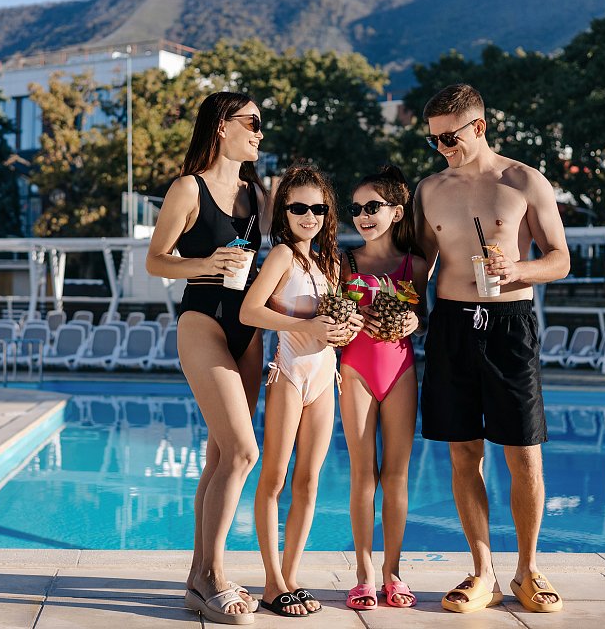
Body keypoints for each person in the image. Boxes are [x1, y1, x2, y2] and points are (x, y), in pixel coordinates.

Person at [414, 83, 570, 614]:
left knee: (523, 452)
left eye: (449, 137)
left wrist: (519, 268)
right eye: (433, 140)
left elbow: (560, 259)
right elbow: (420, 266)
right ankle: (483, 572)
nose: (441, 148)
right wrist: (403, 310)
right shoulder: (429, 189)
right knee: (463, 453)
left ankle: (528, 569)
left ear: (478, 126)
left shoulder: (523, 180)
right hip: (451, 326)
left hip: (509, 325)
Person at [146, 91, 271, 625]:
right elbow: (155, 261)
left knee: (221, 457)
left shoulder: (258, 193)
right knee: (243, 451)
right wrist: (206, 263)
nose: (260, 132)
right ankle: (215, 576)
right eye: (252, 122)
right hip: (203, 320)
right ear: (222, 125)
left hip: (250, 327)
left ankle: (199, 577)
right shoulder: (188, 188)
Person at [239, 164, 360, 618]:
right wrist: (305, 326)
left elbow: (334, 322)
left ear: (328, 213)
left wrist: (345, 328)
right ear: (284, 213)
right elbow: (250, 311)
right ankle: (272, 582)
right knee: (274, 479)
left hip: (325, 376)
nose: (309, 216)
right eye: (299, 208)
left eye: (318, 209)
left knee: (308, 481)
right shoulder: (281, 257)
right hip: (289, 372)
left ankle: (290, 577)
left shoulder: (330, 262)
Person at [338, 165, 427, 611]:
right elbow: (330, 314)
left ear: (396, 211)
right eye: (356, 209)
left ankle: (393, 571)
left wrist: (415, 320)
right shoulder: (345, 262)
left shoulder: (416, 265)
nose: (362, 216)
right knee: (362, 473)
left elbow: (425, 316)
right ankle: (364, 574)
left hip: (400, 372)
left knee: (396, 475)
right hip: (355, 369)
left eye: (372, 207)